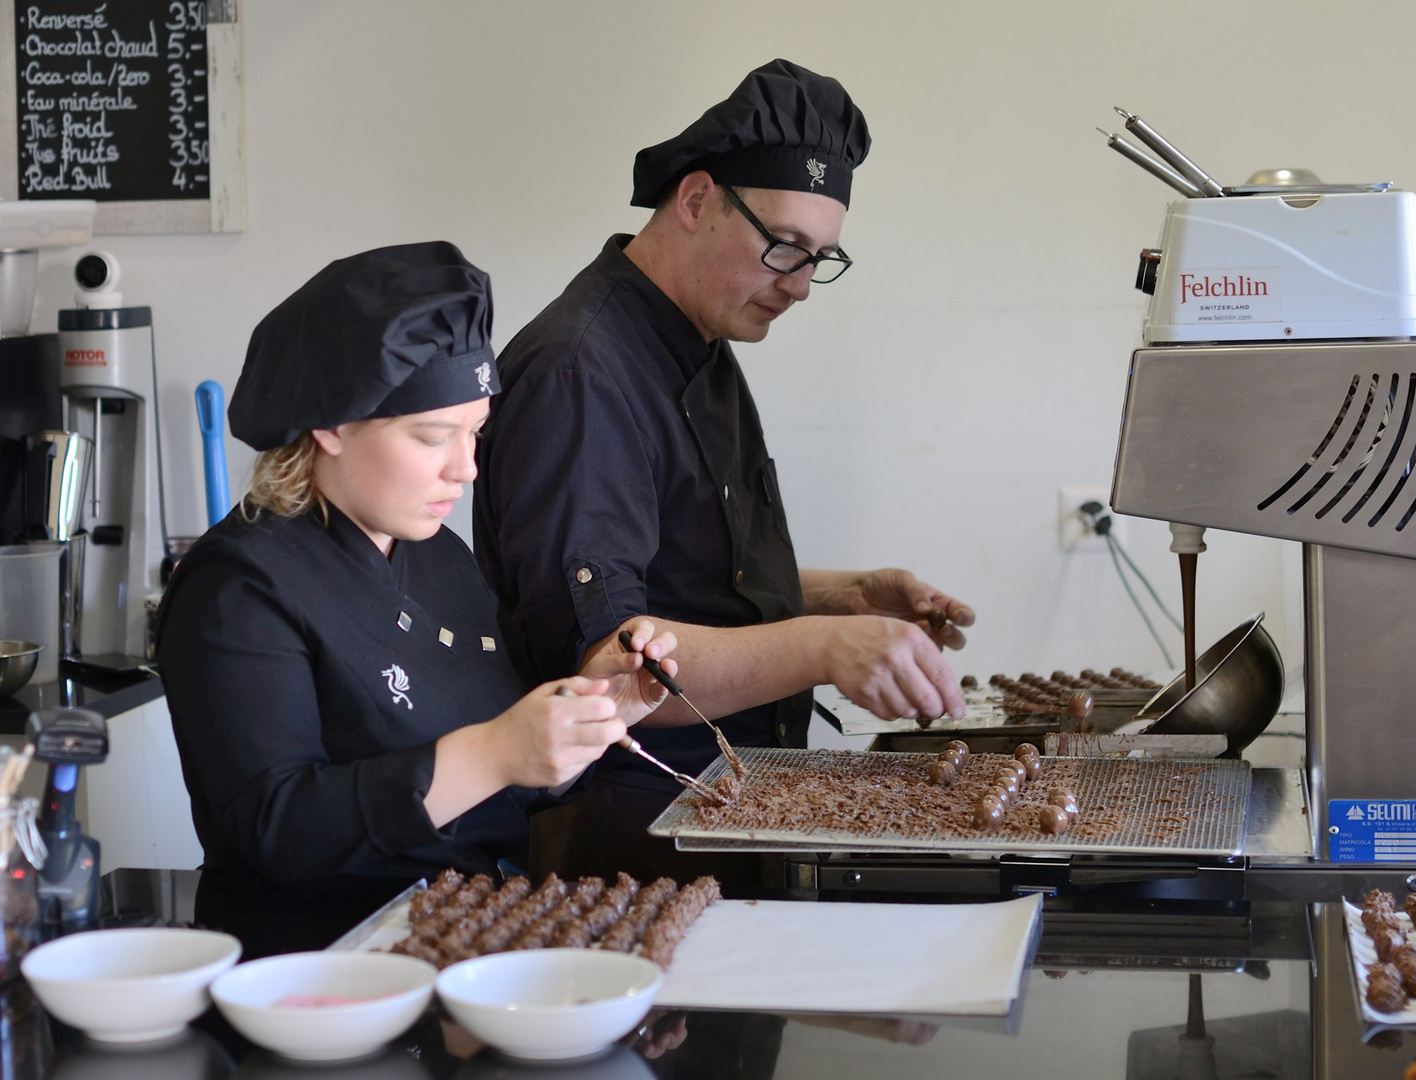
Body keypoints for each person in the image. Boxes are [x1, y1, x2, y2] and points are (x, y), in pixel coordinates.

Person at [474, 60, 974, 886]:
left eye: (821, 259)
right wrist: (824, 644)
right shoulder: (580, 373)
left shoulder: (698, 340)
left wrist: (842, 596)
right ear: (697, 199)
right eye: (784, 247)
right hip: (631, 834)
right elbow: (613, 665)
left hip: (726, 807)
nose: (803, 286)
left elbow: (686, 577)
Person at [156, 243, 677, 950]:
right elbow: (275, 829)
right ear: (332, 424)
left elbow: (507, 780)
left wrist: (584, 712)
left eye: (475, 434)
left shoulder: (438, 557)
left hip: (472, 940)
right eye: (434, 436)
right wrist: (494, 751)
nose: (465, 469)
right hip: (321, 969)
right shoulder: (239, 586)